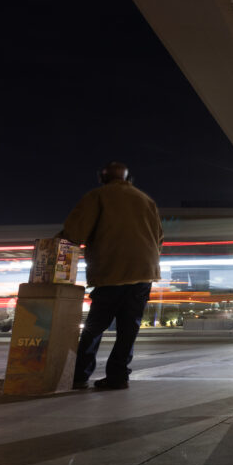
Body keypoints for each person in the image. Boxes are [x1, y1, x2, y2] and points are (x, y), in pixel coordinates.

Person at [61, 161, 163, 390]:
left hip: (112, 272)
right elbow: (159, 237)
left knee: (94, 327)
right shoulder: (146, 200)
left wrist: (56, 244)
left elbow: (75, 232)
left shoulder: (99, 196)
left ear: (102, 177)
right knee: (129, 329)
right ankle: (118, 376)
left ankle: (79, 375)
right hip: (144, 273)